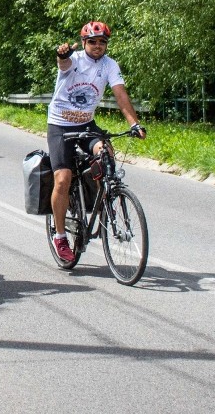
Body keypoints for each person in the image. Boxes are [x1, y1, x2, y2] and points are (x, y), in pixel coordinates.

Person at [47, 21, 146, 262]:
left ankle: (107, 200)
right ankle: (60, 236)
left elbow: (120, 94)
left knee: (107, 153)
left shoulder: (110, 65)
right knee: (63, 178)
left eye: (102, 42)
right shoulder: (75, 59)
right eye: (92, 41)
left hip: (86, 124)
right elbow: (64, 63)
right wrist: (62, 55)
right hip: (60, 125)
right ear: (84, 43)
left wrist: (134, 123)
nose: (98, 46)